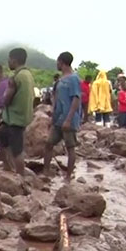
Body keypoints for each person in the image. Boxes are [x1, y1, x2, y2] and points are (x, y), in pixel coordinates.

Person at [0, 48, 35, 176]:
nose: (8, 62)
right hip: (20, 117)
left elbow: (6, 100)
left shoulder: (15, 78)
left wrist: (3, 98)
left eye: (9, 60)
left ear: (14, 60)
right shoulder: (28, 74)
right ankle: (8, 166)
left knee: (17, 151)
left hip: (15, 119)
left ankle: (20, 177)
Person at [44, 52, 82, 181]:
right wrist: (53, 116)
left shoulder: (74, 79)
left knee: (70, 148)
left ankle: (68, 176)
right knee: (49, 144)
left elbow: (76, 99)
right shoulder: (61, 80)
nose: (56, 64)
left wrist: (69, 119)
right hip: (58, 120)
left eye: (57, 62)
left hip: (68, 120)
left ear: (62, 62)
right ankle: (46, 172)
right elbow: (56, 99)